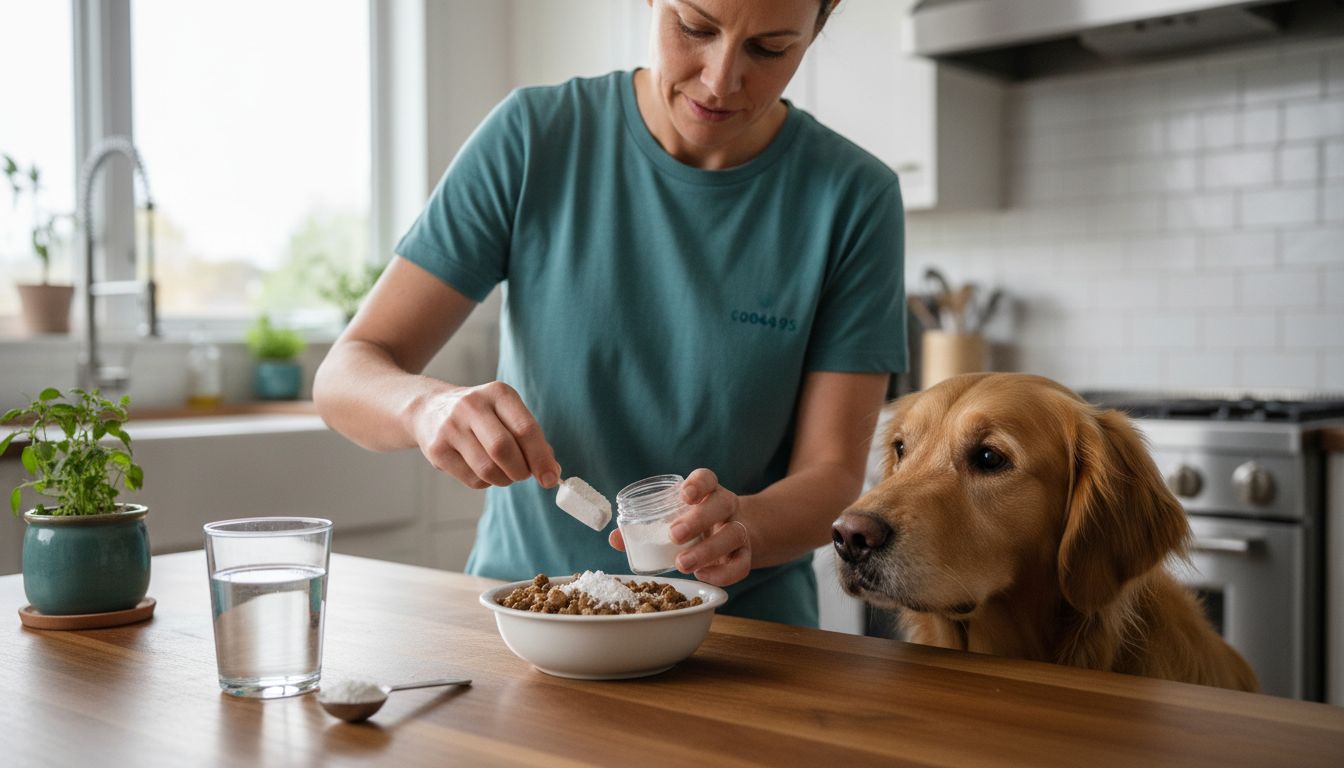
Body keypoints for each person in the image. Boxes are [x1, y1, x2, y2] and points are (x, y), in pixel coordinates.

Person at [314, 0, 905, 626]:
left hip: (741, 639)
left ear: (820, 24)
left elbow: (833, 472)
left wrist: (744, 526)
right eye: (695, 28)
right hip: (526, 618)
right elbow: (345, 375)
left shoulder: (853, 197)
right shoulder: (534, 137)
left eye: (769, 48)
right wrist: (425, 407)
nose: (720, 78)